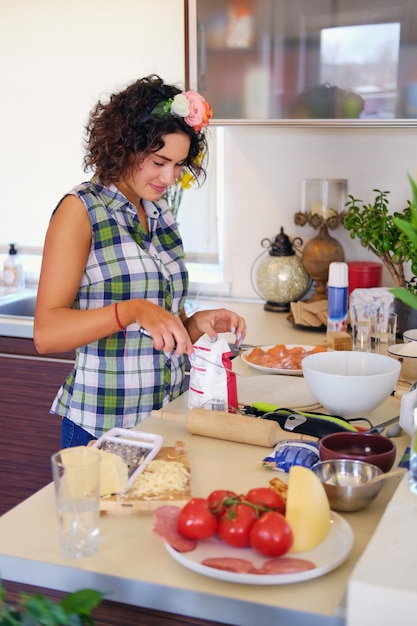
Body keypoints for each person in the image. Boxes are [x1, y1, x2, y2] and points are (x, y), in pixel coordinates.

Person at [34, 74, 246, 448]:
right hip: (104, 429)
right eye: (160, 161)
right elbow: (46, 334)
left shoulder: (158, 211)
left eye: (179, 164)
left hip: (168, 421)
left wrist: (195, 324)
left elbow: (153, 331)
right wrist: (131, 310)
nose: (170, 176)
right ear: (125, 146)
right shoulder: (81, 210)